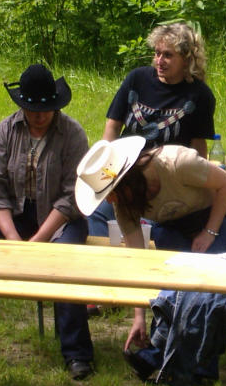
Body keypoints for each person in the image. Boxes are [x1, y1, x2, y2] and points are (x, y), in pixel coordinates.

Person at [0, 64, 95, 380]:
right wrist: (13, 239)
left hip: (60, 217)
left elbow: (72, 195)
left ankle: (76, 352)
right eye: (32, 109)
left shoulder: (72, 134)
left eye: (45, 109)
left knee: (68, 260)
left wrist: (39, 240)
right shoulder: (5, 130)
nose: (39, 116)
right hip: (12, 216)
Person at [74, 138, 226, 386]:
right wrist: (138, 318)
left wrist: (209, 232)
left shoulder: (178, 163)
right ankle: (166, 357)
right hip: (174, 229)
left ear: (128, 178)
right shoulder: (124, 204)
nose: (110, 202)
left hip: (220, 218)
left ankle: (191, 365)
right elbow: (139, 262)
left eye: (111, 192)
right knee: (172, 290)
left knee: (206, 292)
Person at [87, 22, 216, 238]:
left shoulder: (199, 95)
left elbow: (197, 146)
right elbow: (113, 125)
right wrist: (106, 170)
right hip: (125, 173)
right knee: (97, 214)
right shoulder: (137, 79)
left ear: (186, 59)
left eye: (168, 55)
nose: (159, 61)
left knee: (161, 226)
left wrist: (199, 180)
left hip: (166, 180)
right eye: (157, 53)